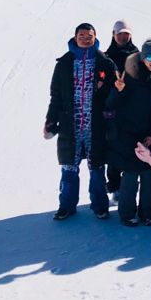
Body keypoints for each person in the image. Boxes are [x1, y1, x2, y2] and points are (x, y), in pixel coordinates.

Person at [44, 23, 116, 220]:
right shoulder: (64, 63)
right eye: (81, 35)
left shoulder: (105, 63)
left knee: (97, 168)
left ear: (96, 37)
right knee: (69, 167)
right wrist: (50, 121)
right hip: (71, 125)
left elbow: (114, 92)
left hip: (96, 125)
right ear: (75, 37)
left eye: (89, 35)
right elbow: (55, 95)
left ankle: (100, 206)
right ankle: (66, 205)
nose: (85, 38)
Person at [105, 39, 151, 226]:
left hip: (150, 135)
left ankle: (148, 212)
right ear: (142, 58)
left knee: (150, 175)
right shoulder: (129, 77)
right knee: (130, 175)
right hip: (128, 134)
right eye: (149, 57)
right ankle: (127, 213)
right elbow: (111, 105)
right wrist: (117, 91)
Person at [103, 19, 139, 199]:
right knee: (114, 148)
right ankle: (114, 187)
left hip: (133, 109)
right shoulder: (106, 56)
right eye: (119, 33)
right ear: (113, 34)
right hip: (113, 109)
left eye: (126, 33)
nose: (123, 37)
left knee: (131, 147)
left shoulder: (137, 55)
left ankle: (129, 187)